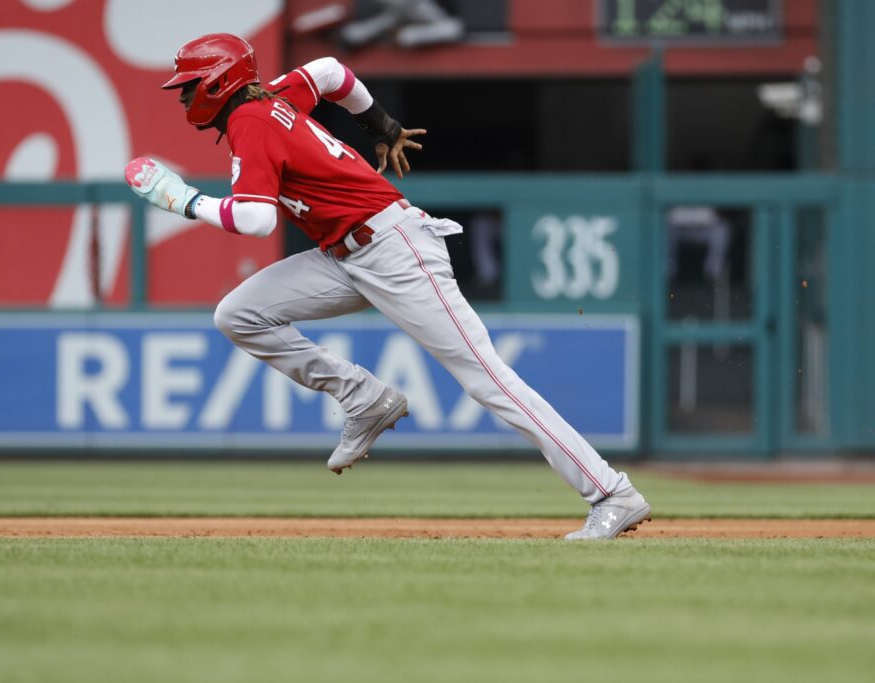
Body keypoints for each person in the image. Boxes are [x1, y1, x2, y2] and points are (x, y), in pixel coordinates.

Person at [125, 33, 650, 539]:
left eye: (190, 85)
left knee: (487, 379)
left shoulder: (250, 120)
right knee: (238, 313)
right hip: (345, 254)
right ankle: (363, 398)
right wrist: (382, 124)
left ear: (219, 83)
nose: (185, 95)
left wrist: (185, 201)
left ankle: (611, 493)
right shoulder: (277, 95)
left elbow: (258, 221)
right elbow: (331, 72)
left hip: (393, 250)